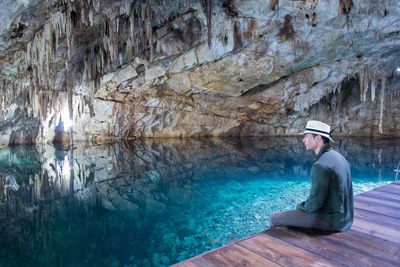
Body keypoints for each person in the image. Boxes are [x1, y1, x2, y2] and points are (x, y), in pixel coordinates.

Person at [269, 120, 354, 232]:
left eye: (307, 136)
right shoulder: (339, 157)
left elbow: (313, 205)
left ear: (318, 138)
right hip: (346, 220)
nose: (304, 140)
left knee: (274, 219)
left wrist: (300, 206)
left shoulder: (321, 165)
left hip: (331, 222)